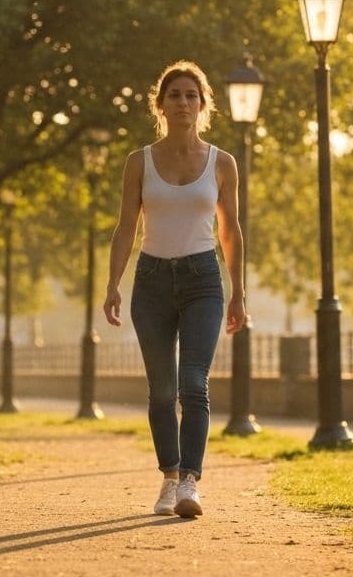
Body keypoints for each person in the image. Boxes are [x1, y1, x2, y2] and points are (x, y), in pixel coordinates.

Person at [102, 60, 248, 518]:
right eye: (174, 95)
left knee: (193, 384)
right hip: (151, 282)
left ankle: (190, 483)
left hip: (204, 280)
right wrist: (112, 284)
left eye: (191, 95)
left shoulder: (222, 163)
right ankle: (168, 478)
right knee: (162, 390)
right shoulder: (138, 162)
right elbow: (126, 227)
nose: (183, 102)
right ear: (160, 105)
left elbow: (231, 231)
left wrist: (238, 291)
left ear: (202, 105)